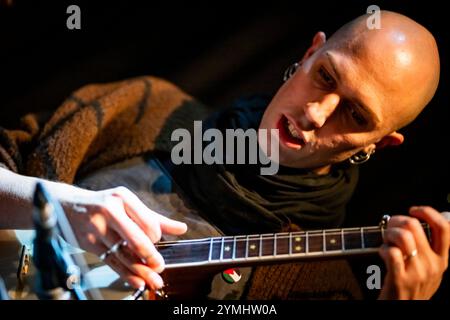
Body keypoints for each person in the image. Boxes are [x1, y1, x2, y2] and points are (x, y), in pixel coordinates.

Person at [0, 10, 448, 300]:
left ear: (377, 145)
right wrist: (57, 204)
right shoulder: (144, 108)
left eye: (354, 113)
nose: (315, 113)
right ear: (310, 52)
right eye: (326, 76)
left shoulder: (323, 286)